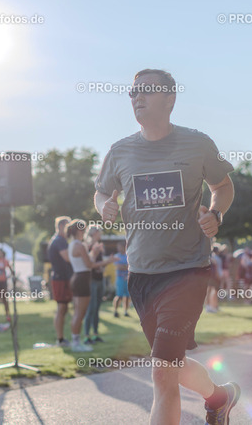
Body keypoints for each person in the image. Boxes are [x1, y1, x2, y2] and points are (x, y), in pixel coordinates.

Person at [94, 69, 238, 424]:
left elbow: (222, 186)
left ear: (170, 98)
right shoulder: (120, 151)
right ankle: (219, 397)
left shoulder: (197, 143)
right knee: (172, 364)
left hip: (187, 271)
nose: (137, 97)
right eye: (133, 93)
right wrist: (104, 207)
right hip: (141, 274)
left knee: (161, 371)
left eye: (146, 90)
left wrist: (215, 214)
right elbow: (101, 193)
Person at [66, 219, 112, 352]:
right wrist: (106, 260)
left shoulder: (73, 244)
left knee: (78, 313)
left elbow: (86, 261)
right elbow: (90, 264)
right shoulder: (79, 245)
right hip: (82, 279)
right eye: (84, 229)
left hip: (79, 278)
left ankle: (76, 342)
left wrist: (94, 253)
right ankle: (76, 344)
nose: (86, 231)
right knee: (80, 314)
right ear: (79, 230)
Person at [83, 226, 114, 344]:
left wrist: (106, 263)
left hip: (100, 280)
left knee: (96, 309)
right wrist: (106, 261)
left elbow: (99, 264)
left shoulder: (99, 246)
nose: (101, 234)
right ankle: (87, 336)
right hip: (91, 281)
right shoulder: (88, 246)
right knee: (91, 309)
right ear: (94, 233)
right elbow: (90, 264)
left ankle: (95, 334)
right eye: (99, 232)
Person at [47, 216, 73, 346]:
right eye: (68, 226)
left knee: (63, 308)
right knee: (61, 308)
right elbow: (68, 258)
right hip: (60, 279)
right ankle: (60, 339)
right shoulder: (59, 241)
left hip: (62, 278)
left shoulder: (59, 240)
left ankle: (61, 338)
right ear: (62, 226)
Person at [112, 241, 130, 317]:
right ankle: (115, 311)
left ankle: (126, 311)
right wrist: (126, 266)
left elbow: (130, 266)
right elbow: (118, 267)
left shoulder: (128, 255)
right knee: (119, 296)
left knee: (127, 296)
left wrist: (124, 266)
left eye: (120, 247)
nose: (119, 248)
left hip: (128, 279)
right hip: (120, 279)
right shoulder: (116, 256)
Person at [206, 245, 223, 313]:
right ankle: (212, 306)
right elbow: (217, 269)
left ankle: (211, 306)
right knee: (214, 291)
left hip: (210, 276)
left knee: (210, 291)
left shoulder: (210, 258)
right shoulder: (215, 259)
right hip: (214, 277)